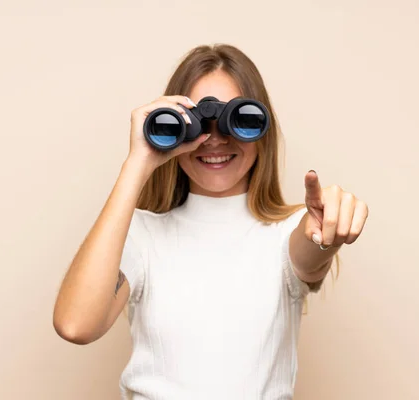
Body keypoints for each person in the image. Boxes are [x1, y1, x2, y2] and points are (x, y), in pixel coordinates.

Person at [53, 44, 369, 399]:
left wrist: (326, 234)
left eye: (238, 121)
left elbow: (309, 248)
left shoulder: (289, 231)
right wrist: (137, 162)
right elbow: (75, 324)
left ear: (261, 129)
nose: (215, 139)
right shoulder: (142, 234)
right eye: (196, 123)